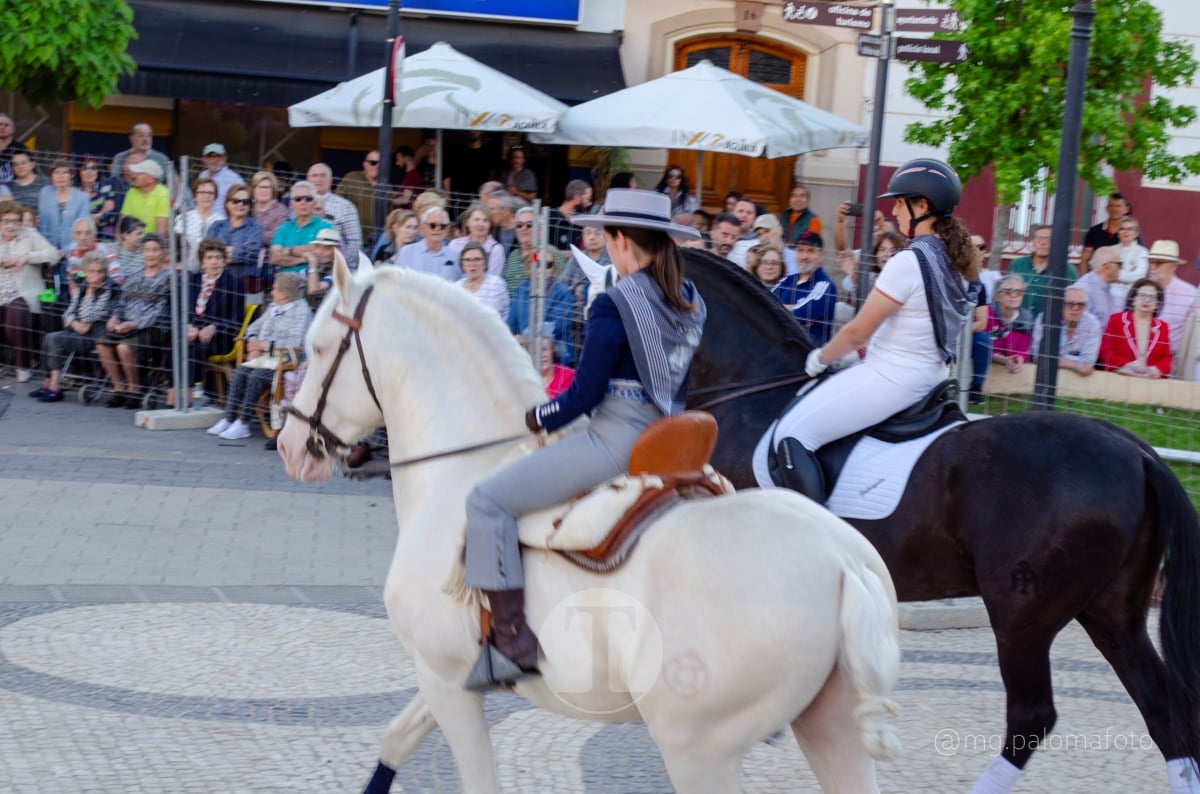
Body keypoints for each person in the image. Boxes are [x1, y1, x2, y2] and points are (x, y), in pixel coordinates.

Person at [463, 188, 705, 689]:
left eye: (605, 234)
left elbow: (583, 398)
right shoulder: (690, 300)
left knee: (487, 501)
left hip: (616, 437)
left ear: (619, 241)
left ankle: (511, 643)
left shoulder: (615, 303)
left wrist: (536, 415)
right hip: (672, 435)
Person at [772, 158, 979, 501]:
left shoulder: (908, 261)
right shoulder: (954, 260)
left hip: (893, 378)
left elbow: (857, 331)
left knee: (792, 435)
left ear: (922, 206)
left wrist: (822, 357)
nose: (895, 210)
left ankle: (818, 533)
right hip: (934, 377)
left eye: (900, 201)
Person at [207, 272, 312, 441]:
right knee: (241, 371)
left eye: (275, 289)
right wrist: (252, 341)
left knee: (256, 376)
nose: (271, 292)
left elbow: (294, 343)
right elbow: (253, 327)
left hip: (286, 362)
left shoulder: (302, 312)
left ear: (285, 293)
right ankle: (229, 417)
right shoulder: (273, 307)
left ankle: (243, 422)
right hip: (264, 358)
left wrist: (265, 346)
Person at [30, 252, 119, 402]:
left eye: (99, 271)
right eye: (91, 271)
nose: (95, 275)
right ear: (86, 271)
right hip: (78, 331)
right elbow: (68, 313)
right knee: (48, 337)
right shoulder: (83, 285)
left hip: (95, 335)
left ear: (105, 272)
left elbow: (90, 317)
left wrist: (90, 293)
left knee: (54, 338)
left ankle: (55, 387)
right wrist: (75, 323)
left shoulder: (109, 290)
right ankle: (47, 383)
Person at [95, 233, 171, 407]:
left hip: (153, 328)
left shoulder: (169, 278)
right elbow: (121, 302)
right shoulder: (134, 276)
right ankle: (119, 388)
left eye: (155, 250)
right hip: (127, 325)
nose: (150, 254)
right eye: (146, 250)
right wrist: (114, 318)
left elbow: (161, 311)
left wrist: (136, 324)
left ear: (163, 253)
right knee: (102, 343)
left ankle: (134, 390)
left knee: (124, 347)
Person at [0, 200, 59, 382]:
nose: (11, 225)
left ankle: (23, 366)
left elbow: (54, 254)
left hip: (24, 296)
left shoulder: (30, 235)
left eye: (15, 221)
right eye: (6, 221)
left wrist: (27, 257)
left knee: (17, 311)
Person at [187, 239, 245, 393]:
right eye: (209, 258)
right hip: (193, 334)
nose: (214, 262)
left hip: (221, 338)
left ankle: (194, 393)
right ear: (202, 261)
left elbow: (237, 319)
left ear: (224, 261)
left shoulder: (234, 283)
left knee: (197, 350)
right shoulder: (192, 281)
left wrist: (214, 328)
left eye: (218, 258)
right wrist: (188, 326)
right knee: (177, 344)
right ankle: (174, 392)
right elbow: (183, 311)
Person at [773, 231, 838, 345]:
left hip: (807, 352)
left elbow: (801, 316)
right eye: (800, 250)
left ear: (821, 256)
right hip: (780, 347)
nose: (804, 256)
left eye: (810, 251)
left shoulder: (825, 285)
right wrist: (789, 309)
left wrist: (778, 308)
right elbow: (763, 302)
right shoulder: (787, 280)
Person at [1098, 277, 1172, 378]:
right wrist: (1125, 366)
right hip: (1120, 377)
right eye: (1142, 295)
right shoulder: (1116, 320)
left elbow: (1166, 357)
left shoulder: (1163, 327)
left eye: (1152, 297)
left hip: (1150, 382)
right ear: (1133, 299)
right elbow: (1105, 350)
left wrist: (1156, 369)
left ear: (1157, 304)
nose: (1146, 300)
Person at [1006, 225, 1077, 317]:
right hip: (1019, 323)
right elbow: (1005, 294)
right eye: (1039, 238)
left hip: (1049, 324)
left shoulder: (1067, 270)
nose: (1043, 243)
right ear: (1033, 242)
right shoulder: (1016, 265)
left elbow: (1075, 299)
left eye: (1048, 239)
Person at [1031, 285, 1101, 376]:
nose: (1075, 309)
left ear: (1086, 307)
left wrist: (1055, 359)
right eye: (1069, 304)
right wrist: (1076, 364)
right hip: (1045, 376)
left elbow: (1089, 362)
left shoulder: (1092, 324)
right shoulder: (1045, 319)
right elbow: (1038, 356)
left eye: (1080, 304)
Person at [269, 180, 333, 279]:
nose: (303, 202)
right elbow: (275, 258)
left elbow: (324, 256)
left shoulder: (325, 227)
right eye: (298, 199)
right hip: (285, 282)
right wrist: (304, 259)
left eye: (308, 199)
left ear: (314, 202)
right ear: (291, 203)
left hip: (312, 281)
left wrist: (289, 250)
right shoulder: (284, 228)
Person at [205, 185, 264, 287]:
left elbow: (252, 253)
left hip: (245, 283)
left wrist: (221, 253)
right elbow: (207, 251)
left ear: (250, 206)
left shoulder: (255, 227)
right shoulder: (216, 226)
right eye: (236, 201)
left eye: (245, 201)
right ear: (227, 204)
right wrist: (239, 249)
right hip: (217, 282)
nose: (240, 204)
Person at [1146, 239, 1197, 354]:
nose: (1152, 266)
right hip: (1137, 356)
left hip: (1170, 359)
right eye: (1151, 261)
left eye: (1158, 262)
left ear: (1173, 266)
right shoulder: (1139, 288)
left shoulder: (1190, 294)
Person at [305, 163, 362, 264]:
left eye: (322, 175)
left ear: (331, 180)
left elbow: (355, 242)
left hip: (334, 265)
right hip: (302, 263)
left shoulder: (345, 206)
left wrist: (340, 264)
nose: (318, 179)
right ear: (308, 180)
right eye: (314, 176)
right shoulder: (298, 203)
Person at [37, 159, 92, 261]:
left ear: (71, 175)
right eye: (56, 172)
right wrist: (47, 251)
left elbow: (82, 229)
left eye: (64, 172)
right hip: (47, 252)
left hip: (73, 252)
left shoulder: (82, 197)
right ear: (52, 175)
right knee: (52, 276)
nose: (60, 176)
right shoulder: (45, 193)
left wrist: (65, 251)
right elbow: (44, 226)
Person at [175, 177, 225, 273]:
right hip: (186, 269)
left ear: (215, 197)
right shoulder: (182, 219)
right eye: (202, 192)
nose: (206, 196)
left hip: (211, 269)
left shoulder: (222, 221)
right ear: (195, 196)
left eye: (210, 193)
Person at [986, 274, 1034, 374]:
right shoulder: (988, 313)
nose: (1013, 295)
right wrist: (1004, 360)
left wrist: (1019, 359)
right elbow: (983, 348)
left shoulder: (1026, 318)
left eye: (1019, 292)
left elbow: (1023, 350)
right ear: (997, 296)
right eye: (1008, 292)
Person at [1078, 192, 1137, 274]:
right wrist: (1085, 282)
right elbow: (1084, 260)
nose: (1114, 209)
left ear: (1126, 209)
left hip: (1121, 283)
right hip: (1097, 280)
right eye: (1111, 205)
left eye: (1118, 206)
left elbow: (1137, 260)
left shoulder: (1132, 233)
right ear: (1107, 208)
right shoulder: (1094, 231)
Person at [395, 206, 458, 281]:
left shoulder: (455, 256)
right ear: (422, 228)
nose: (437, 229)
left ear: (447, 229)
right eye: (432, 225)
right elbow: (398, 283)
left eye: (442, 226)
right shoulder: (406, 253)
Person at [336, 150, 385, 242]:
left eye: (381, 163)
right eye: (373, 163)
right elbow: (337, 202)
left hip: (377, 241)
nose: (377, 166)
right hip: (353, 239)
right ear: (365, 164)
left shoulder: (386, 184)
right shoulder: (352, 178)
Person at [447, 202, 505, 278]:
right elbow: (449, 273)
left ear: (490, 224)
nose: (480, 224)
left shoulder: (496, 249)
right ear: (467, 222)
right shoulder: (455, 244)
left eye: (485, 220)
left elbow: (492, 279)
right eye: (476, 220)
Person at [63, 218, 117, 298]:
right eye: (78, 233)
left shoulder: (106, 251)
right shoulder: (72, 253)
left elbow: (116, 279)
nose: (83, 238)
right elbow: (70, 281)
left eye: (87, 233)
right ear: (73, 236)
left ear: (94, 235)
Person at [1072, 245, 1121, 328]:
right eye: (1119, 264)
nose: (1120, 269)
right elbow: (1081, 326)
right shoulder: (1084, 288)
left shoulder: (1106, 287)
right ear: (1107, 266)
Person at [456, 241, 509, 316]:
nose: (472, 264)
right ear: (462, 265)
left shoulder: (495, 284)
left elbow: (490, 316)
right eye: (467, 260)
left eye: (477, 259)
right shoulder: (457, 286)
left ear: (485, 263)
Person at [118, 159, 169, 237]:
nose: (133, 176)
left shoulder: (164, 194)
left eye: (139, 173)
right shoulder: (131, 192)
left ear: (151, 179)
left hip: (152, 243)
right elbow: (123, 221)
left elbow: (162, 230)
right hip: (131, 242)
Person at [1112, 216, 1150, 306]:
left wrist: (1115, 274)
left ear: (1136, 233)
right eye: (1122, 229)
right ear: (1118, 232)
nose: (1126, 232)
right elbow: (1104, 273)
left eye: (1130, 229)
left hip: (1132, 296)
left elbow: (1138, 275)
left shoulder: (1142, 252)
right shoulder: (1111, 251)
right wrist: (1128, 273)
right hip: (1112, 296)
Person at [546, 179, 592, 252]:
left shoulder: (581, 221)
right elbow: (540, 250)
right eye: (588, 199)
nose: (590, 203)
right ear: (576, 198)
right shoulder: (549, 217)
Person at [250, 171, 289, 251]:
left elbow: (276, 236)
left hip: (269, 258)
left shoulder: (280, 210)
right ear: (254, 190)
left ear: (273, 190)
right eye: (260, 187)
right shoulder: (248, 207)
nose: (263, 190)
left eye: (267, 187)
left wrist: (250, 235)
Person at [0, 113, 28, 186]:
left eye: (6, 125)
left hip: (15, 189)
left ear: (13, 129)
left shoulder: (20, 148)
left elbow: (29, 171)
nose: (2, 127)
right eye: (0, 124)